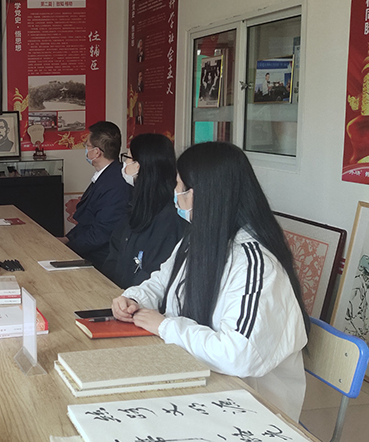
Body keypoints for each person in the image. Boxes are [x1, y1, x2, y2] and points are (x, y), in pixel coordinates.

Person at [112, 142, 309, 419]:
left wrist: (166, 326)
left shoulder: (256, 265)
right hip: (195, 377)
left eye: (179, 186)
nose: (175, 194)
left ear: (201, 194)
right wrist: (134, 299)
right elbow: (163, 280)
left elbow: (238, 354)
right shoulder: (199, 237)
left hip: (250, 408)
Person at [101, 134, 188, 289]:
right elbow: (115, 251)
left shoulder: (169, 216)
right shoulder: (137, 202)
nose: (124, 164)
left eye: (128, 158)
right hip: (117, 292)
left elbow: (153, 272)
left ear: (139, 165)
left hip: (139, 298)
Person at [62, 121, 132, 270]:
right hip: (90, 251)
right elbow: (87, 222)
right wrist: (66, 239)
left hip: (101, 261)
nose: (85, 150)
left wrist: (68, 248)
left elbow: (101, 233)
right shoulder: (106, 175)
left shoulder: (116, 184)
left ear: (96, 152)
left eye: (87, 146)